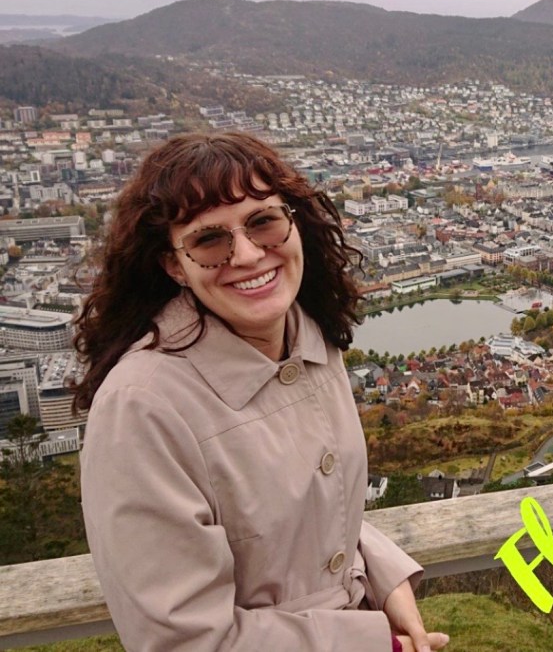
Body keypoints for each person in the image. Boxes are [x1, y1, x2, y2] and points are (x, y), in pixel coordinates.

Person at [75, 132, 448, 652]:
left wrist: (386, 581)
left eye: (262, 221)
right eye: (210, 240)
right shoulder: (141, 409)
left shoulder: (309, 340)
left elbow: (314, 516)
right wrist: (374, 644)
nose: (248, 255)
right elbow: (183, 640)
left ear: (294, 223)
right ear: (173, 264)